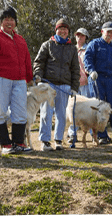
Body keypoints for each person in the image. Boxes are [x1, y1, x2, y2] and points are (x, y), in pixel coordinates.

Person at [0, 6, 33, 154]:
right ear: (0, 22)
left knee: (20, 111)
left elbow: (26, 60)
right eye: (6, 19)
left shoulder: (21, 40)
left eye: (12, 19)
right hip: (1, 79)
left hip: (19, 80)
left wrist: (29, 78)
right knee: (0, 111)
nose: (9, 22)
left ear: (16, 22)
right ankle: (5, 145)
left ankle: (19, 143)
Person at [33, 18, 80, 151]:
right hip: (48, 84)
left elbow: (75, 69)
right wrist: (38, 75)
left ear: (68, 32)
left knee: (61, 114)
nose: (63, 31)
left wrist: (74, 87)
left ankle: (58, 140)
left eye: (65, 29)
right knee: (46, 112)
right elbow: (39, 62)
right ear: (56, 30)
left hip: (65, 86)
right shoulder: (47, 45)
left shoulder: (72, 49)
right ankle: (45, 141)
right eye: (61, 28)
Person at [84, 22, 112, 144]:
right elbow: (87, 59)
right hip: (97, 78)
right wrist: (91, 70)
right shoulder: (94, 44)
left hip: (110, 80)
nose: (110, 34)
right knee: (99, 108)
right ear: (102, 31)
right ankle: (101, 136)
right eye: (108, 31)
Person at [67, 27, 91, 143]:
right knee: (72, 110)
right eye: (77, 35)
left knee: (88, 109)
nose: (79, 37)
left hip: (86, 84)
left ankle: (92, 134)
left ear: (86, 37)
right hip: (73, 84)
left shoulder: (88, 49)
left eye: (82, 35)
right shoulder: (71, 50)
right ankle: (72, 134)